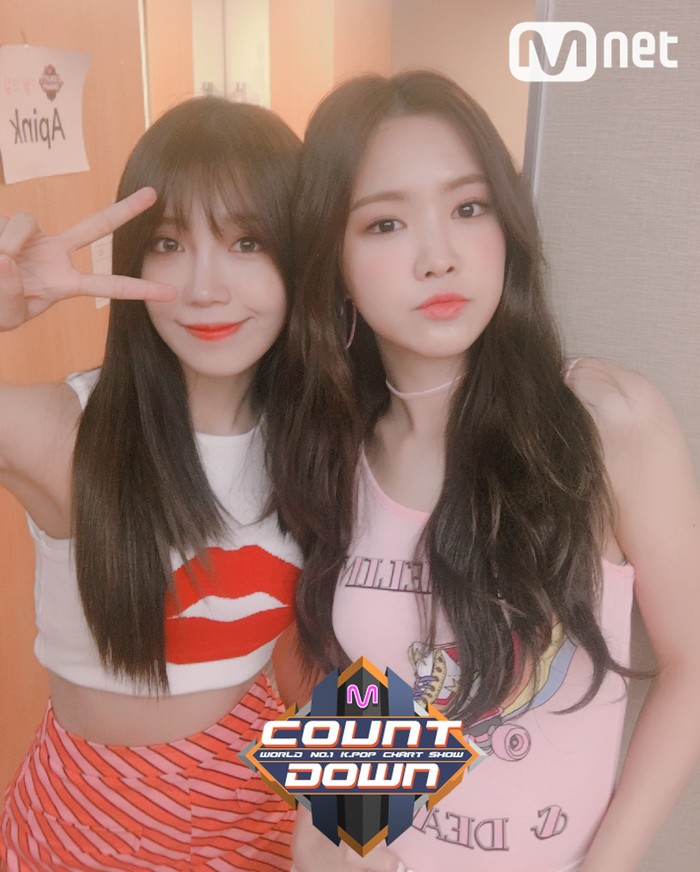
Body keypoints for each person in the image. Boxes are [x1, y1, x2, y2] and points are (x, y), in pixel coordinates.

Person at [269, 71, 700, 872]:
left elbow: (692, 664)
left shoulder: (605, 424)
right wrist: (331, 834)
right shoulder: (337, 454)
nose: (439, 257)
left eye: (468, 208)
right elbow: (364, 692)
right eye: (386, 223)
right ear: (335, 260)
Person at [0, 97, 303, 871]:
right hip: (92, 819)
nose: (204, 288)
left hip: (264, 796)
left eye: (246, 241)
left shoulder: (327, 438)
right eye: (168, 243)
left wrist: (367, 833)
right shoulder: (70, 431)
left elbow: (386, 650)